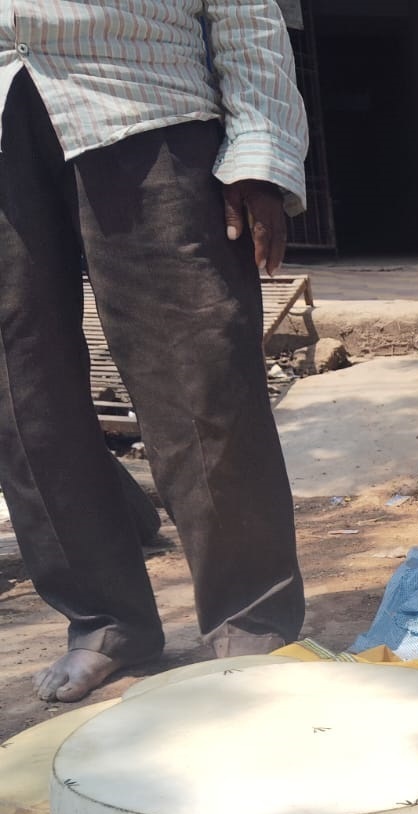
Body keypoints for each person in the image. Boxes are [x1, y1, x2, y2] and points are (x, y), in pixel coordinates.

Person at [0, 2, 308, 703]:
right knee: (21, 390)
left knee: (198, 371)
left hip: (141, 96)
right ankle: (104, 619)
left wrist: (259, 151)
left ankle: (250, 622)